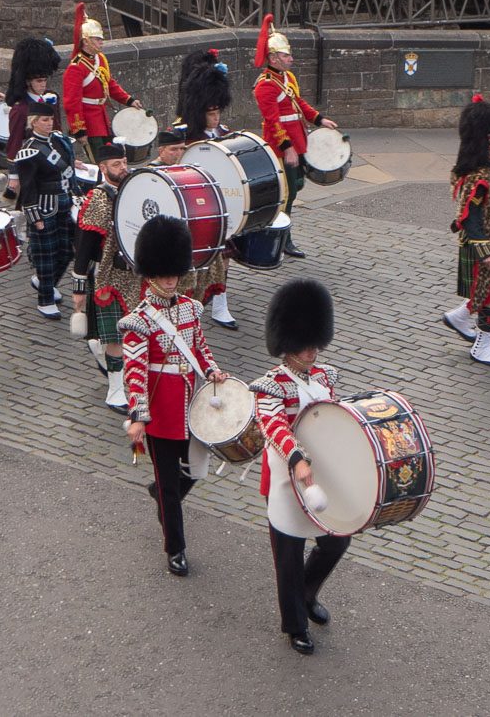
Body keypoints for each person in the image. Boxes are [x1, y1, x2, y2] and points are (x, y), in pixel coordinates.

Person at [121, 215, 227, 578]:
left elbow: (200, 349)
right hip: (162, 412)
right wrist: (138, 416)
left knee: (194, 472)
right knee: (169, 487)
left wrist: (213, 371)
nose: (170, 280)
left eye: (174, 274)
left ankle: (162, 496)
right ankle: (175, 548)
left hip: (191, 405)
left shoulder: (190, 308)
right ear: (151, 273)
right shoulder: (138, 320)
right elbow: (135, 373)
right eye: (164, 275)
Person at [249, 278, 349, 655]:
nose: (312, 351)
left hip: (320, 474)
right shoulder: (269, 386)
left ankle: (306, 593)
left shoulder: (325, 377)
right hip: (286, 479)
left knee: (337, 541)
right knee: (288, 557)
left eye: (315, 344)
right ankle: (295, 624)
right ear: (288, 343)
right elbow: (274, 426)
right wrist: (297, 458)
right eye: (305, 345)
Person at [252, 15, 336, 259]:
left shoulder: (288, 78)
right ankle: (283, 238)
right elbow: (273, 121)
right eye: (286, 55)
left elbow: (299, 104)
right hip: (281, 145)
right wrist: (287, 147)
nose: (291, 58)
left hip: (297, 139)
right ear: (274, 58)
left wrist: (319, 119)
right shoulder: (265, 85)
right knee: (287, 194)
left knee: (296, 186)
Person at [442, 96, 490, 368]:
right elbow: (470, 220)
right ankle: (482, 345)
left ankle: (460, 317)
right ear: (484, 142)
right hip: (481, 241)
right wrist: (487, 254)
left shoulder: (489, 169)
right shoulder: (479, 177)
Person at [70, 140, 139, 410]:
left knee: (133, 334)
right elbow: (84, 246)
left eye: (124, 163)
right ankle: (115, 391)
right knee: (116, 338)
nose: (122, 168)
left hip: (135, 274)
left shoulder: (135, 189)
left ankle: (98, 346)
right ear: (102, 167)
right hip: (107, 276)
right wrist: (78, 288)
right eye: (116, 164)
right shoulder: (98, 199)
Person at [179, 61, 238, 329]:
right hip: (196, 206)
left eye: (218, 112)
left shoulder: (226, 134)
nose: (216, 118)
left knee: (224, 256)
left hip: (221, 203)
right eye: (211, 113)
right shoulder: (186, 136)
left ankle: (221, 304)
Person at [14, 95, 76, 320]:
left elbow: (66, 165)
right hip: (44, 206)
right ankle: (45, 299)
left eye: (50, 119)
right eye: (44, 120)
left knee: (67, 251)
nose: (49, 123)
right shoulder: (29, 150)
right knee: (47, 255)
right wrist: (34, 216)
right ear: (34, 122)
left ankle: (45, 282)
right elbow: (28, 186)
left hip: (65, 202)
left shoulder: (58, 140)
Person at [63, 2, 141, 162]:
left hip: (102, 117)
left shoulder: (100, 59)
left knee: (112, 159)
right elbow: (72, 102)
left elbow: (109, 84)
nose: (101, 42)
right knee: (99, 162)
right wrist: (79, 129)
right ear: (86, 41)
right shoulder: (76, 67)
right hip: (89, 122)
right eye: (97, 39)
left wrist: (129, 100)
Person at [3, 36, 63, 201]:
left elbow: (57, 130)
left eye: (45, 80)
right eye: (39, 81)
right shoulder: (20, 109)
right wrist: (14, 176)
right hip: (33, 162)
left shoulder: (52, 98)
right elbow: (15, 142)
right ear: (28, 82)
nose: (43, 84)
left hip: (53, 159)